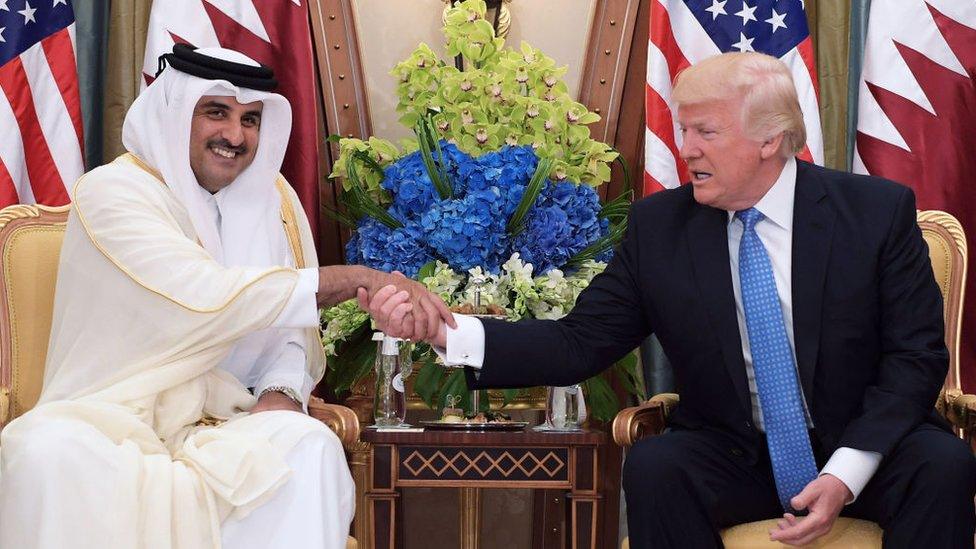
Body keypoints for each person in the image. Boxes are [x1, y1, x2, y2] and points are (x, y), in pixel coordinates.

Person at [364, 51, 976, 548]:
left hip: (861, 445)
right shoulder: (662, 228)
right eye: (683, 130)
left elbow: (914, 358)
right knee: (657, 468)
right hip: (735, 452)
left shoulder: (874, 213)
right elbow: (579, 343)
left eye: (705, 131)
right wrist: (446, 333)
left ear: (771, 141)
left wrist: (843, 475)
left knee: (942, 466)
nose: (687, 149)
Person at [0, 45, 453, 549]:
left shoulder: (272, 200)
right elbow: (205, 297)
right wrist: (356, 279)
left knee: (308, 446)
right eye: (216, 112)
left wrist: (280, 394)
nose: (235, 136)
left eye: (251, 119)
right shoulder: (113, 193)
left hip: (226, 424)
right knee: (44, 452)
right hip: (111, 421)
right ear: (175, 114)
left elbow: (289, 333)